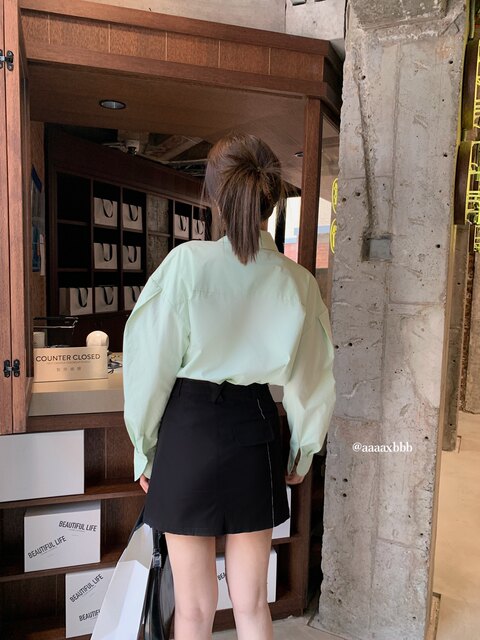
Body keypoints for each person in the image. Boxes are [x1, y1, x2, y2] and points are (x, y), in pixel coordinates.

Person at [123, 132, 336, 640]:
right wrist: (302, 452)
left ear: (215, 196)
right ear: (271, 199)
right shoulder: (298, 283)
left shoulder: (185, 266)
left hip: (188, 432)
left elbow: (148, 368)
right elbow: (313, 379)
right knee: (253, 605)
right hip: (254, 430)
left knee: (193, 610)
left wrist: (144, 449)